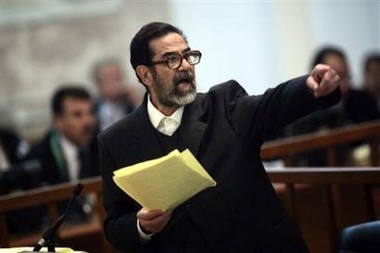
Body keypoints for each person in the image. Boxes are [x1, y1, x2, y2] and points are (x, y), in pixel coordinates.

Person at [98, 22, 341, 253]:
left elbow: (272, 104)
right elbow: (115, 225)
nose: (185, 66)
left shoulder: (224, 104)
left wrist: (309, 87)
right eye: (172, 59)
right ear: (145, 74)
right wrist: (142, 227)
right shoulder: (116, 141)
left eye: (188, 55)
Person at [282, 46, 380, 166]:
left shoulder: (361, 99)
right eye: (335, 77)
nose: (344, 86)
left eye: (346, 77)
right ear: (316, 77)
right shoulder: (301, 113)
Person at [92, 58, 143, 131]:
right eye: (109, 80)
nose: (115, 84)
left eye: (118, 78)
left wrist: (137, 102)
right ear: (99, 85)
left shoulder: (130, 103)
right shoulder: (94, 110)